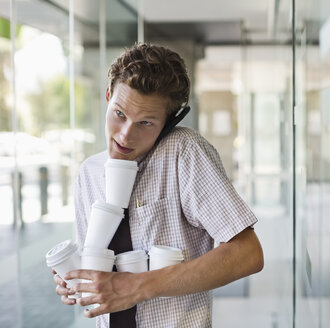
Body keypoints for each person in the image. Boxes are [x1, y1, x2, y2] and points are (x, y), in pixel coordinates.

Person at [52, 43, 264, 327]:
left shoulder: (183, 152)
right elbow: (92, 260)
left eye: (146, 123)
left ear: (167, 123)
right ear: (108, 96)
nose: (126, 135)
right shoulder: (88, 173)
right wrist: (76, 281)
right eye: (119, 114)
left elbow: (247, 253)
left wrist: (137, 286)